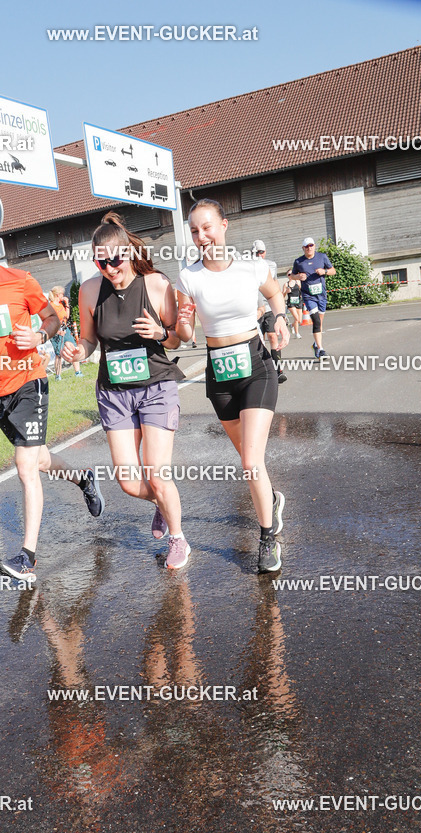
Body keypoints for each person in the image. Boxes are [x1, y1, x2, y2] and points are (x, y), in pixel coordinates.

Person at [0, 218, 104, 583]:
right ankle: (83, 479)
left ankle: (26, 557)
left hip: (29, 382)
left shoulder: (21, 281)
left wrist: (38, 336)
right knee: (40, 457)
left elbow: (52, 320)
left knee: (25, 465)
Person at [64, 210, 189, 569]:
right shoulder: (89, 290)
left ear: (128, 254)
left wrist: (161, 333)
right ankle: (162, 505)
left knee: (157, 473)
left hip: (156, 387)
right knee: (129, 483)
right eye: (101, 263)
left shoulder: (155, 285)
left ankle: (178, 540)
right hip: (114, 394)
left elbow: (178, 339)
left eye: (115, 260)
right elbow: (88, 341)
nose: (110, 269)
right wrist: (79, 352)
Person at [175, 199, 288, 574]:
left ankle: (268, 538)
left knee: (250, 462)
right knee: (250, 461)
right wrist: (183, 322)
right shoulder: (188, 277)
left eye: (207, 227)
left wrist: (280, 318)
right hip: (219, 377)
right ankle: (271, 499)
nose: (201, 236)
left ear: (224, 226)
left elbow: (274, 293)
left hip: (256, 368)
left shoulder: (251, 267)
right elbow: (184, 333)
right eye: (194, 230)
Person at [290, 237, 336, 358]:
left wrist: (324, 271)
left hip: (321, 295)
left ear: (314, 246)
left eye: (311, 245)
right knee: (315, 320)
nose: (309, 248)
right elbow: (292, 275)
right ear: (303, 248)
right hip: (308, 295)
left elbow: (333, 271)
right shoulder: (299, 261)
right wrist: (298, 276)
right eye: (306, 246)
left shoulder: (322, 257)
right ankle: (321, 350)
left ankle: (316, 344)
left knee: (319, 322)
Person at [254, 239, 287, 385]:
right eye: (256, 252)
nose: (259, 254)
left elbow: (275, 288)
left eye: (261, 252)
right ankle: (263, 371)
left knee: (273, 337)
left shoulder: (272, 265)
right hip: (254, 309)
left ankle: (278, 370)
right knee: (259, 342)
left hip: (269, 308)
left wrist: (281, 313)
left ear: (265, 252)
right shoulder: (248, 266)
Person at [48, 286, 82, 380]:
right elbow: (49, 322)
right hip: (55, 331)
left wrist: (67, 304)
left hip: (65, 328)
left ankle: (78, 372)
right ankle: (58, 376)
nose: (63, 296)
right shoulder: (51, 306)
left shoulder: (60, 304)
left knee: (73, 348)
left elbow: (66, 316)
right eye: (62, 294)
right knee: (59, 354)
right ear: (57, 294)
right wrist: (58, 332)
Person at [283, 272, 303, 338]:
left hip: (298, 301)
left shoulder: (298, 282)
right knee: (296, 318)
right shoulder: (286, 284)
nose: (290, 275)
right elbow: (282, 295)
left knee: (299, 320)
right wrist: (286, 291)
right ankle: (297, 334)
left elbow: (301, 289)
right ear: (287, 276)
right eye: (289, 274)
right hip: (291, 303)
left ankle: (292, 325)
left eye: (291, 273)